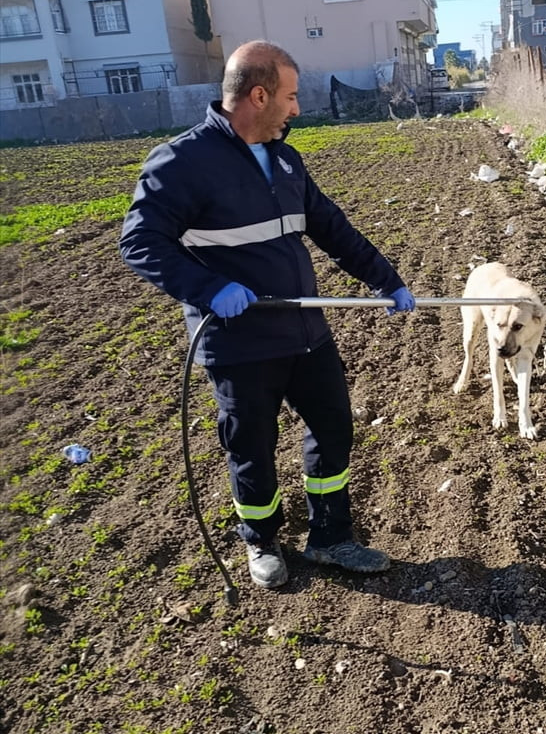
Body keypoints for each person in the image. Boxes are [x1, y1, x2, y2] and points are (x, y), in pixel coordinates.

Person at [120, 40, 415, 589]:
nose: (297, 108)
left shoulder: (284, 156)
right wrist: (209, 288)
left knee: (332, 431)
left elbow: (329, 226)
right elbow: (140, 242)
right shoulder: (182, 162)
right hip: (238, 340)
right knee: (251, 447)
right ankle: (261, 540)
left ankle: (330, 537)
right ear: (259, 95)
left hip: (305, 331)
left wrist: (384, 277)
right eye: (290, 95)